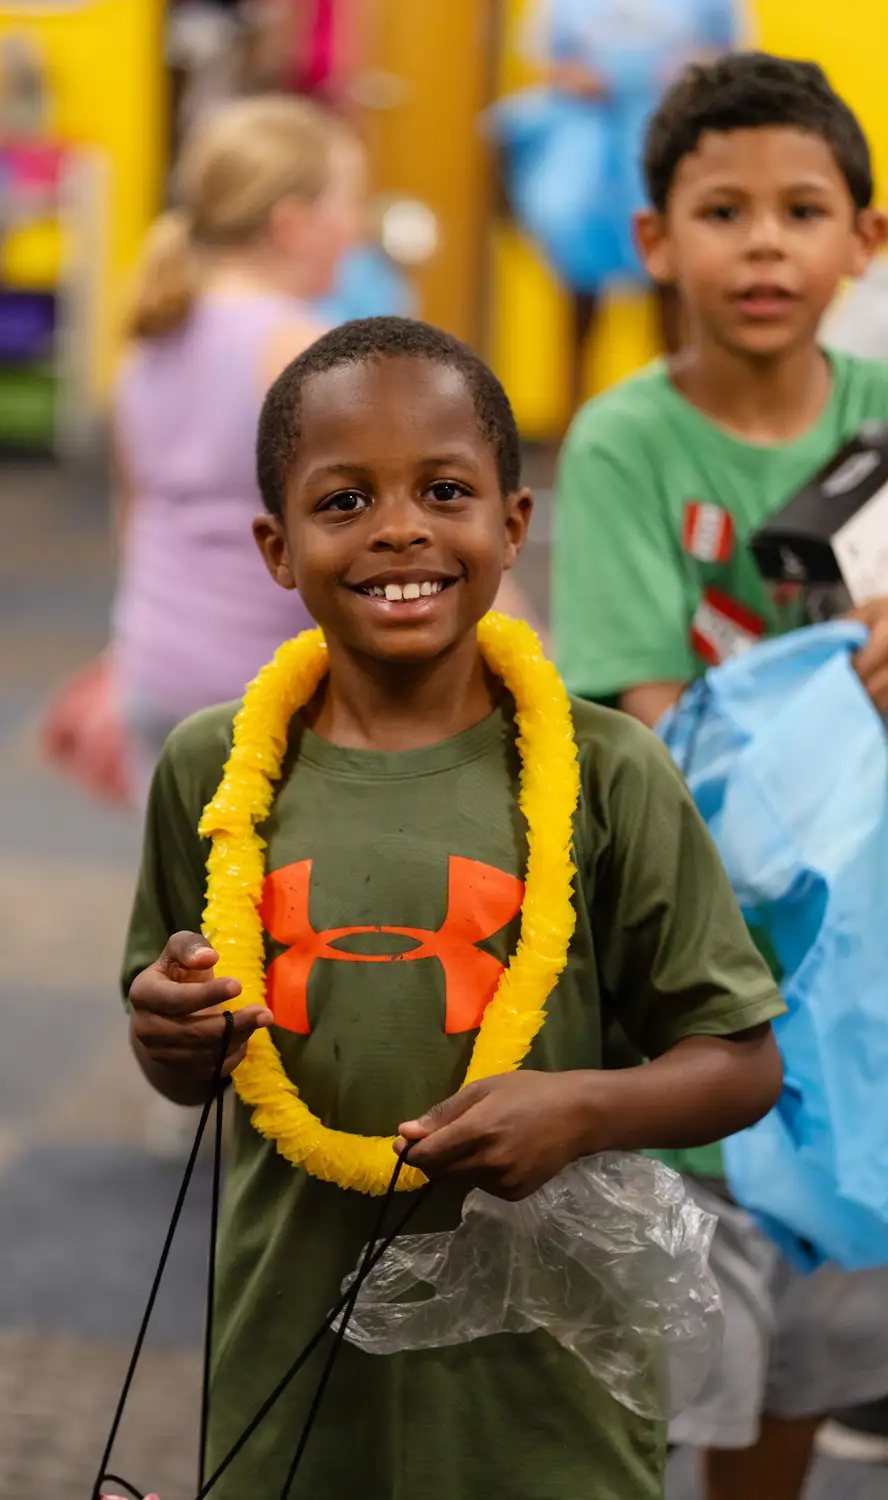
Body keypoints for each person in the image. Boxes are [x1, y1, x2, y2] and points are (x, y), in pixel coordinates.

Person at [121, 315, 784, 1498]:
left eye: (442, 489)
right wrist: (169, 1030)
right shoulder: (213, 772)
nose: (398, 530)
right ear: (276, 546)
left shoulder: (607, 769)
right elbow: (186, 1067)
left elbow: (739, 1065)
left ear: (512, 522)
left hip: (543, 1386)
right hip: (289, 1348)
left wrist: (579, 1108)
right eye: (342, 503)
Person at [553, 51, 888, 1500]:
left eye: (803, 209)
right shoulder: (628, 441)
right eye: (725, 209)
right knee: (664, 1341)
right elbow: (651, 732)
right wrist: (840, 693)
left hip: (862, 979)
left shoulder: (883, 412)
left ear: (865, 242)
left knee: (807, 1353)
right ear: (654, 242)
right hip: (696, 969)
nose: (764, 242)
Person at [111, 93, 364, 799]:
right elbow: (376, 541)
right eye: (349, 205)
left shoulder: (147, 341)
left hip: (152, 672)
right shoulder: (303, 352)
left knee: (182, 904)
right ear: (292, 224)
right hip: (262, 697)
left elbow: (134, 521)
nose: (358, 228)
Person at [497, 0, 745, 416]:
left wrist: (690, 69)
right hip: (590, 163)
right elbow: (547, 62)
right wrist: (582, 79)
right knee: (581, 306)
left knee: (669, 301)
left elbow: (727, 55)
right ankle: (570, 423)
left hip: (662, 147)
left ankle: (681, 423)